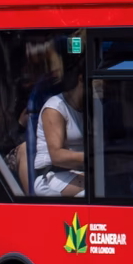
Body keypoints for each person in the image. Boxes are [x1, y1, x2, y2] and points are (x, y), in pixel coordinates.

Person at [33, 64, 87, 198]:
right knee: (100, 191)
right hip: (52, 175)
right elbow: (57, 156)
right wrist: (96, 158)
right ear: (82, 79)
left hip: (79, 171)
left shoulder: (90, 107)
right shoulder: (55, 107)